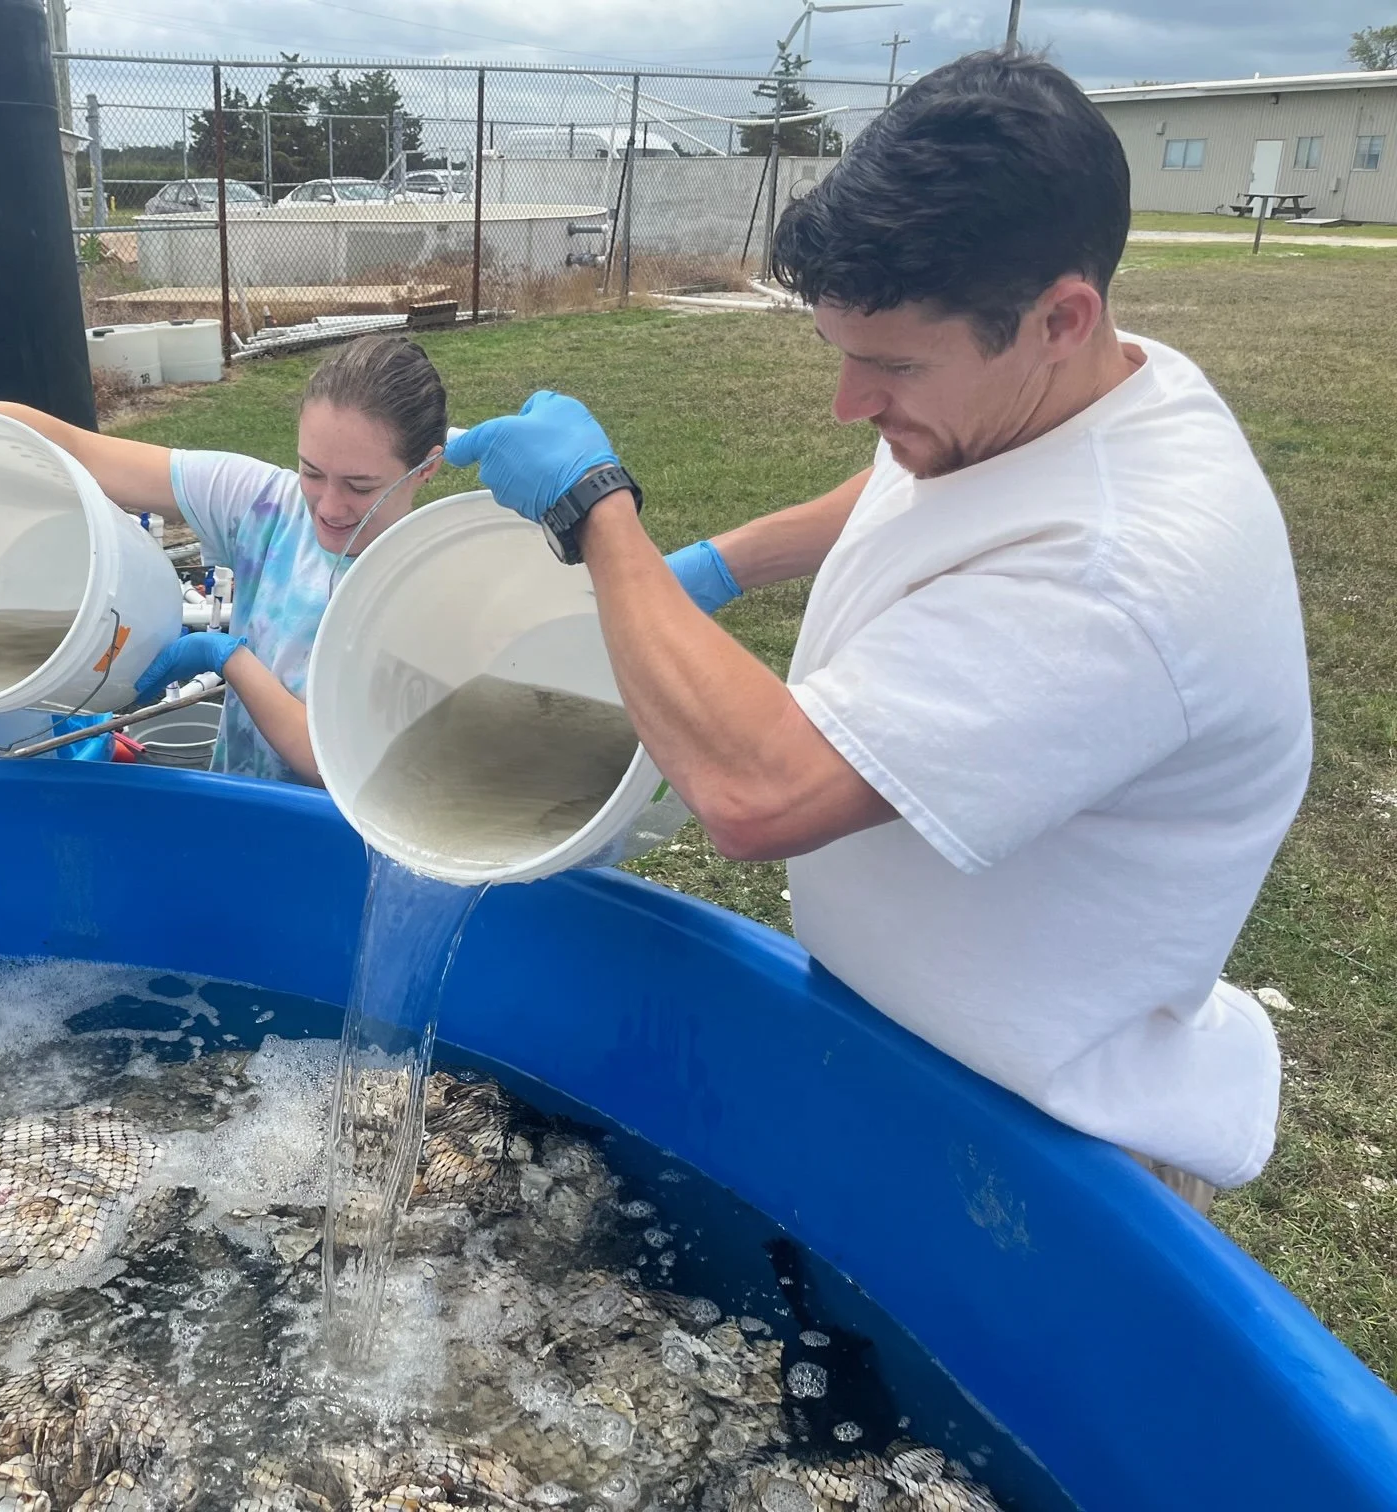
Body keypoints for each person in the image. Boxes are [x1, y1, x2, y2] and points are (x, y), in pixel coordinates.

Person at [445, 50, 1311, 1210]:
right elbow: (905, 487)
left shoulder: (1129, 570)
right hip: (932, 1056)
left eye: (893, 364)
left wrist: (601, 516)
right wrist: (718, 568)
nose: (853, 404)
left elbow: (760, 794)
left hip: (1047, 1153)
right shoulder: (1062, 397)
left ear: (1062, 315)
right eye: (842, 353)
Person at [0, 333, 446, 785]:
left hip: (339, 846)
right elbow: (83, 450)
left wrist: (230, 659)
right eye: (312, 471)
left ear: (426, 468)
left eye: (361, 487)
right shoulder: (266, 504)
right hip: (237, 806)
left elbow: (333, 762)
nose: (329, 504)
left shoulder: (431, 588)